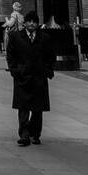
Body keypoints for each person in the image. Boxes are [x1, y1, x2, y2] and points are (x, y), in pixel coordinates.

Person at [7, 10, 55, 145]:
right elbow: (10, 55)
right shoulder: (16, 36)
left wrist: (48, 70)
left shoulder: (45, 38)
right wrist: (14, 70)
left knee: (38, 109)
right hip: (22, 76)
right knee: (23, 108)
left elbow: (51, 56)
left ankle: (35, 133)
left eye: (34, 22)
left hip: (39, 76)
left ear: (38, 23)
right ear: (25, 23)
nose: (32, 24)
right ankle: (24, 134)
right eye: (29, 21)